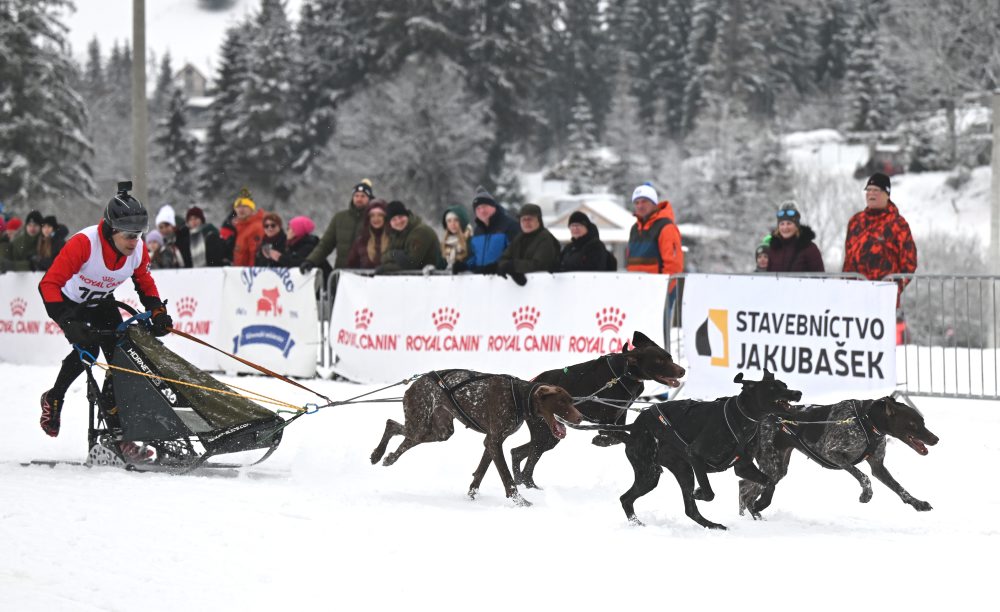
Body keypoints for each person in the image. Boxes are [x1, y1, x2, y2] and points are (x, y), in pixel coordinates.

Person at [37, 181, 172, 459]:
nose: (135, 243)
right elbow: (48, 285)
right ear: (111, 232)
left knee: (121, 359)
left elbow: (145, 283)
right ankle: (55, 397)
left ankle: (119, 436)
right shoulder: (84, 244)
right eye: (129, 237)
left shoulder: (137, 249)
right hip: (70, 304)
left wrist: (158, 311)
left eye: (139, 235)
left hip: (102, 303)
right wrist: (69, 324)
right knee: (88, 352)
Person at [842, 172, 918, 304]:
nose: (871, 193)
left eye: (876, 190)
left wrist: (895, 288)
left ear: (887, 194)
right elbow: (848, 259)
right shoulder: (855, 222)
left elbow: (909, 263)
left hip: (883, 298)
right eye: (868, 190)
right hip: (854, 296)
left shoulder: (898, 224)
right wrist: (844, 285)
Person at [625, 183, 683, 302]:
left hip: (658, 294)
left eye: (644, 201)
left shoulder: (666, 227)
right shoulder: (634, 229)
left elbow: (673, 265)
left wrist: (665, 292)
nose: (640, 206)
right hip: (635, 292)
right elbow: (629, 261)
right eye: (637, 202)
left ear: (654, 203)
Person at [301, 178, 373, 272]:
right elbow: (325, 244)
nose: (359, 199)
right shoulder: (340, 218)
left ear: (369, 198)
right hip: (342, 274)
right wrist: (311, 261)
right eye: (356, 195)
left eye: (363, 196)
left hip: (367, 275)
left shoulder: (375, 219)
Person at [496, 203, 560, 286]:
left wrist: (514, 266)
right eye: (523, 219)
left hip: (544, 288)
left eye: (530, 219)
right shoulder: (518, 238)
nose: (526, 223)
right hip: (521, 293)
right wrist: (508, 268)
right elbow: (503, 259)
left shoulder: (545, 238)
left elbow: (540, 265)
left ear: (539, 220)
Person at [463, 185, 520, 273]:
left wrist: (497, 267)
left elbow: (516, 254)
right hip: (481, 282)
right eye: (478, 208)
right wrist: (464, 265)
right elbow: (474, 257)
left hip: (504, 281)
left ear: (494, 206)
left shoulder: (510, 226)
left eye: (485, 206)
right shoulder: (477, 231)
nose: (482, 211)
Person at [377, 200, 442, 273]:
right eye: (394, 219)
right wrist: (395, 254)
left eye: (400, 217)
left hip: (433, 277)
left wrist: (388, 264)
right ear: (390, 223)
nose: (398, 221)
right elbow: (383, 258)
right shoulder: (397, 234)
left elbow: (411, 263)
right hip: (414, 277)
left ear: (407, 215)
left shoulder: (421, 232)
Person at [765, 201, 825, 273]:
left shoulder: (810, 249)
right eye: (782, 224)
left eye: (789, 223)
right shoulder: (773, 248)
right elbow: (768, 277)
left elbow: (821, 279)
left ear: (797, 226)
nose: (785, 227)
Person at [347, 199, 389, 269]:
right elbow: (351, 265)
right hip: (366, 279)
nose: (376, 219)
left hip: (391, 279)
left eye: (380, 215)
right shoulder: (361, 240)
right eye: (372, 215)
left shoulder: (394, 237)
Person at [231, 188, 265, 266]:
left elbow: (255, 256)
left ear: (252, 209)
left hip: (248, 275)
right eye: (238, 207)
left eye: (245, 206)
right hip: (239, 273)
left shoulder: (256, 228)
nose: (241, 209)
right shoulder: (240, 227)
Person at [149, 204, 186, 269]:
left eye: (167, 226)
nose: (164, 229)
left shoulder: (182, 239)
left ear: (173, 226)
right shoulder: (157, 243)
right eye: (161, 227)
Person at [440, 205, 473, 271]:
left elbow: (474, 262)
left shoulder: (471, 241)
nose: (452, 224)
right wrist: (431, 267)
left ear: (462, 221)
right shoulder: (444, 244)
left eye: (456, 220)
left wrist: (462, 266)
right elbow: (440, 265)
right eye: (449, 221)